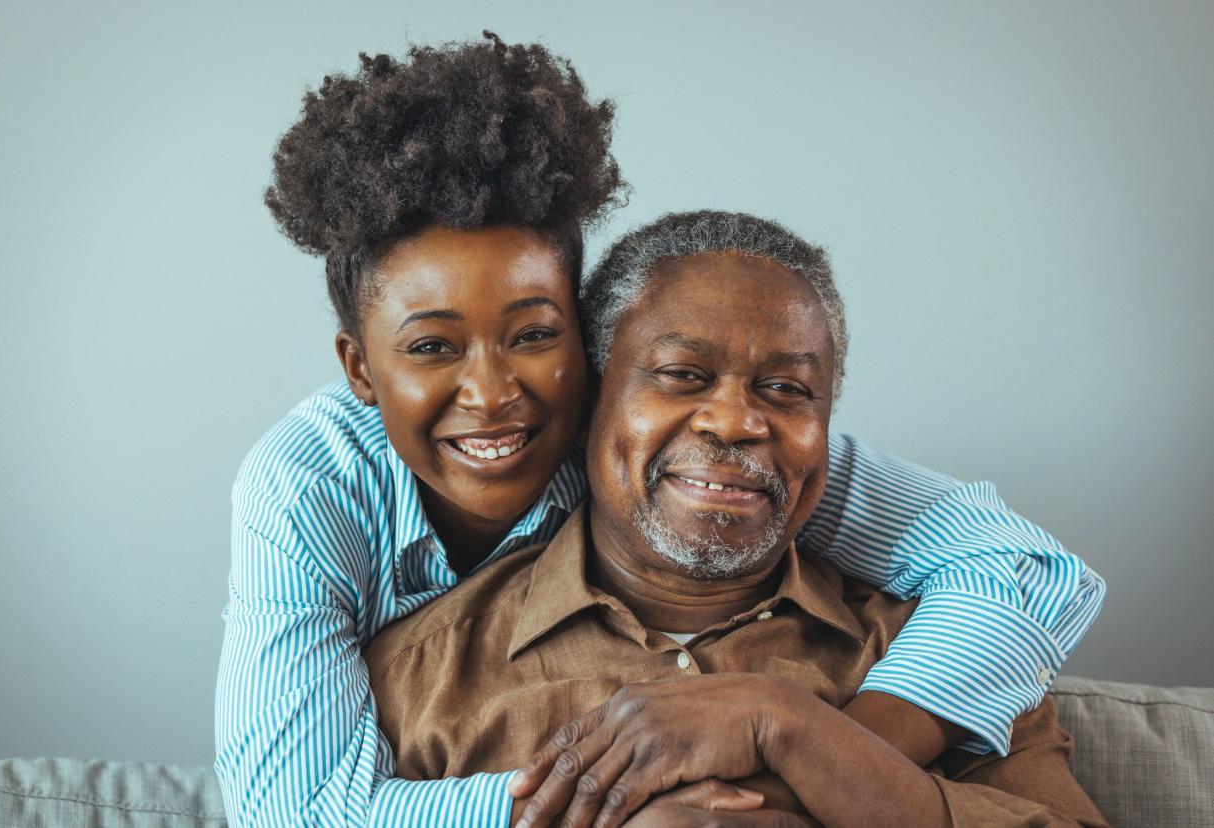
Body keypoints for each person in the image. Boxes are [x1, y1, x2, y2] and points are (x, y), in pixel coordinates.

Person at [214, 35, 1106, 828]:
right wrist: (622, 801)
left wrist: (802, 739)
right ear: (362, 369)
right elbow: (298, 809)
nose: (492, 395)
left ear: (587, 364)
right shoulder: (347, 560)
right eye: (433, 347)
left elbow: (1014, 565)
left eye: (533, 335)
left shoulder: (907, 635)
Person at [363, 210, 1108, 827]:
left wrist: (793, 730)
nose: (734, 421)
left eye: (786, 388)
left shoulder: (944, 658)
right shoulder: (418, 678)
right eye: (681, 375)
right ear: (590, 400)